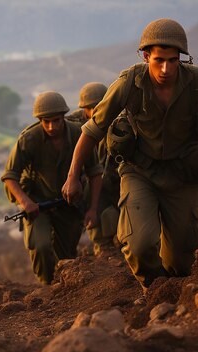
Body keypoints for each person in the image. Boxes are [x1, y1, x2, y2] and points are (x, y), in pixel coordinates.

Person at [61, 18, 198, 301]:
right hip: (139, 171)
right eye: (159, 60)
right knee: (140, 244)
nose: (166, 69)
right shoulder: (128, 83)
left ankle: (174, 290)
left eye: (173, 61)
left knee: (182, 258)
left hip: (183, 174)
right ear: (146, 56)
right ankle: (153, 290)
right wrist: (73, 176)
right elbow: (91, 131)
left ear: (181, 58)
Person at [2, 91, 103, 285]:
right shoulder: (28, 140)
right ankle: (47, 286)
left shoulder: (78, 134)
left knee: (67, 256)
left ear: (64, 116)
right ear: (39, 119)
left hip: (69, 204)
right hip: (37, 205)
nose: (51, 126)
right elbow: (10, 176)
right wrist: (25, 202)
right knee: (40, 246)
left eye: (56, 120)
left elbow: (95, 172)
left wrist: (92, 209)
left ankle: (65, 290)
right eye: (45, 121)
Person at [67, 82, 120, 257]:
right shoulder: (72, 125)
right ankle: (102, 245)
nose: (96, 111)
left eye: (99, 106)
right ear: (84, 109)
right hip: (86, 178)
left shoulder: (117, 119)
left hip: (115, 175)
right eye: (91, 108)